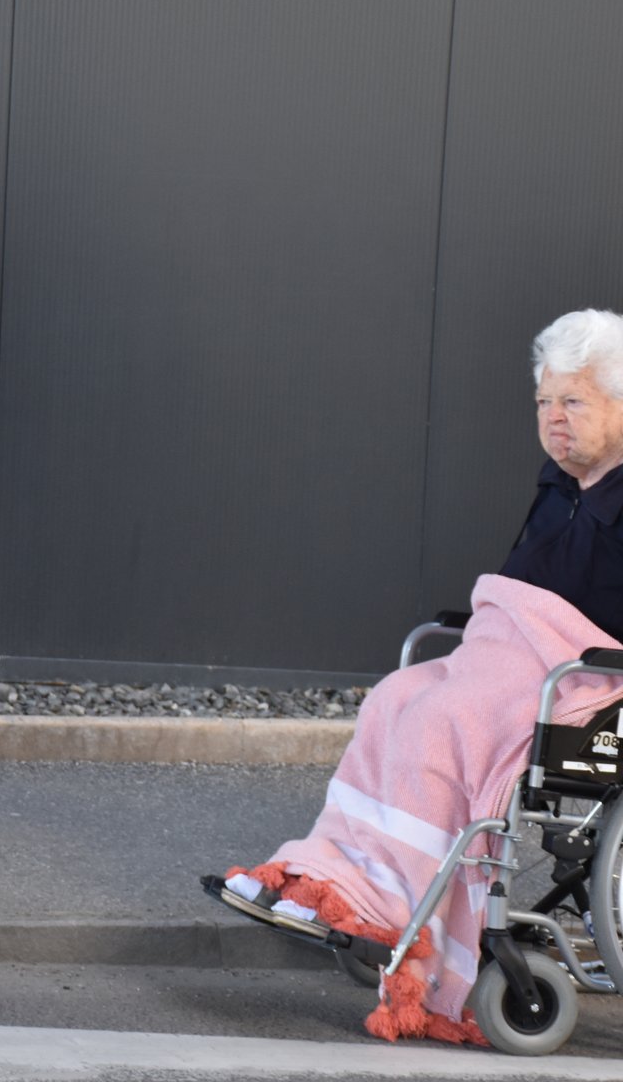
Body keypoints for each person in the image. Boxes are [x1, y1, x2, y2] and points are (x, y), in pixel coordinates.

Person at [214, 309, 623, 1044]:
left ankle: (394, 905)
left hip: (585, 679)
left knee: (442, 720)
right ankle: (337, 880)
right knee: (394, 697)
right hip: (511, 656)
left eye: (573, 401)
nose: (553, 419)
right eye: (543, 402)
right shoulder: (559, 485)